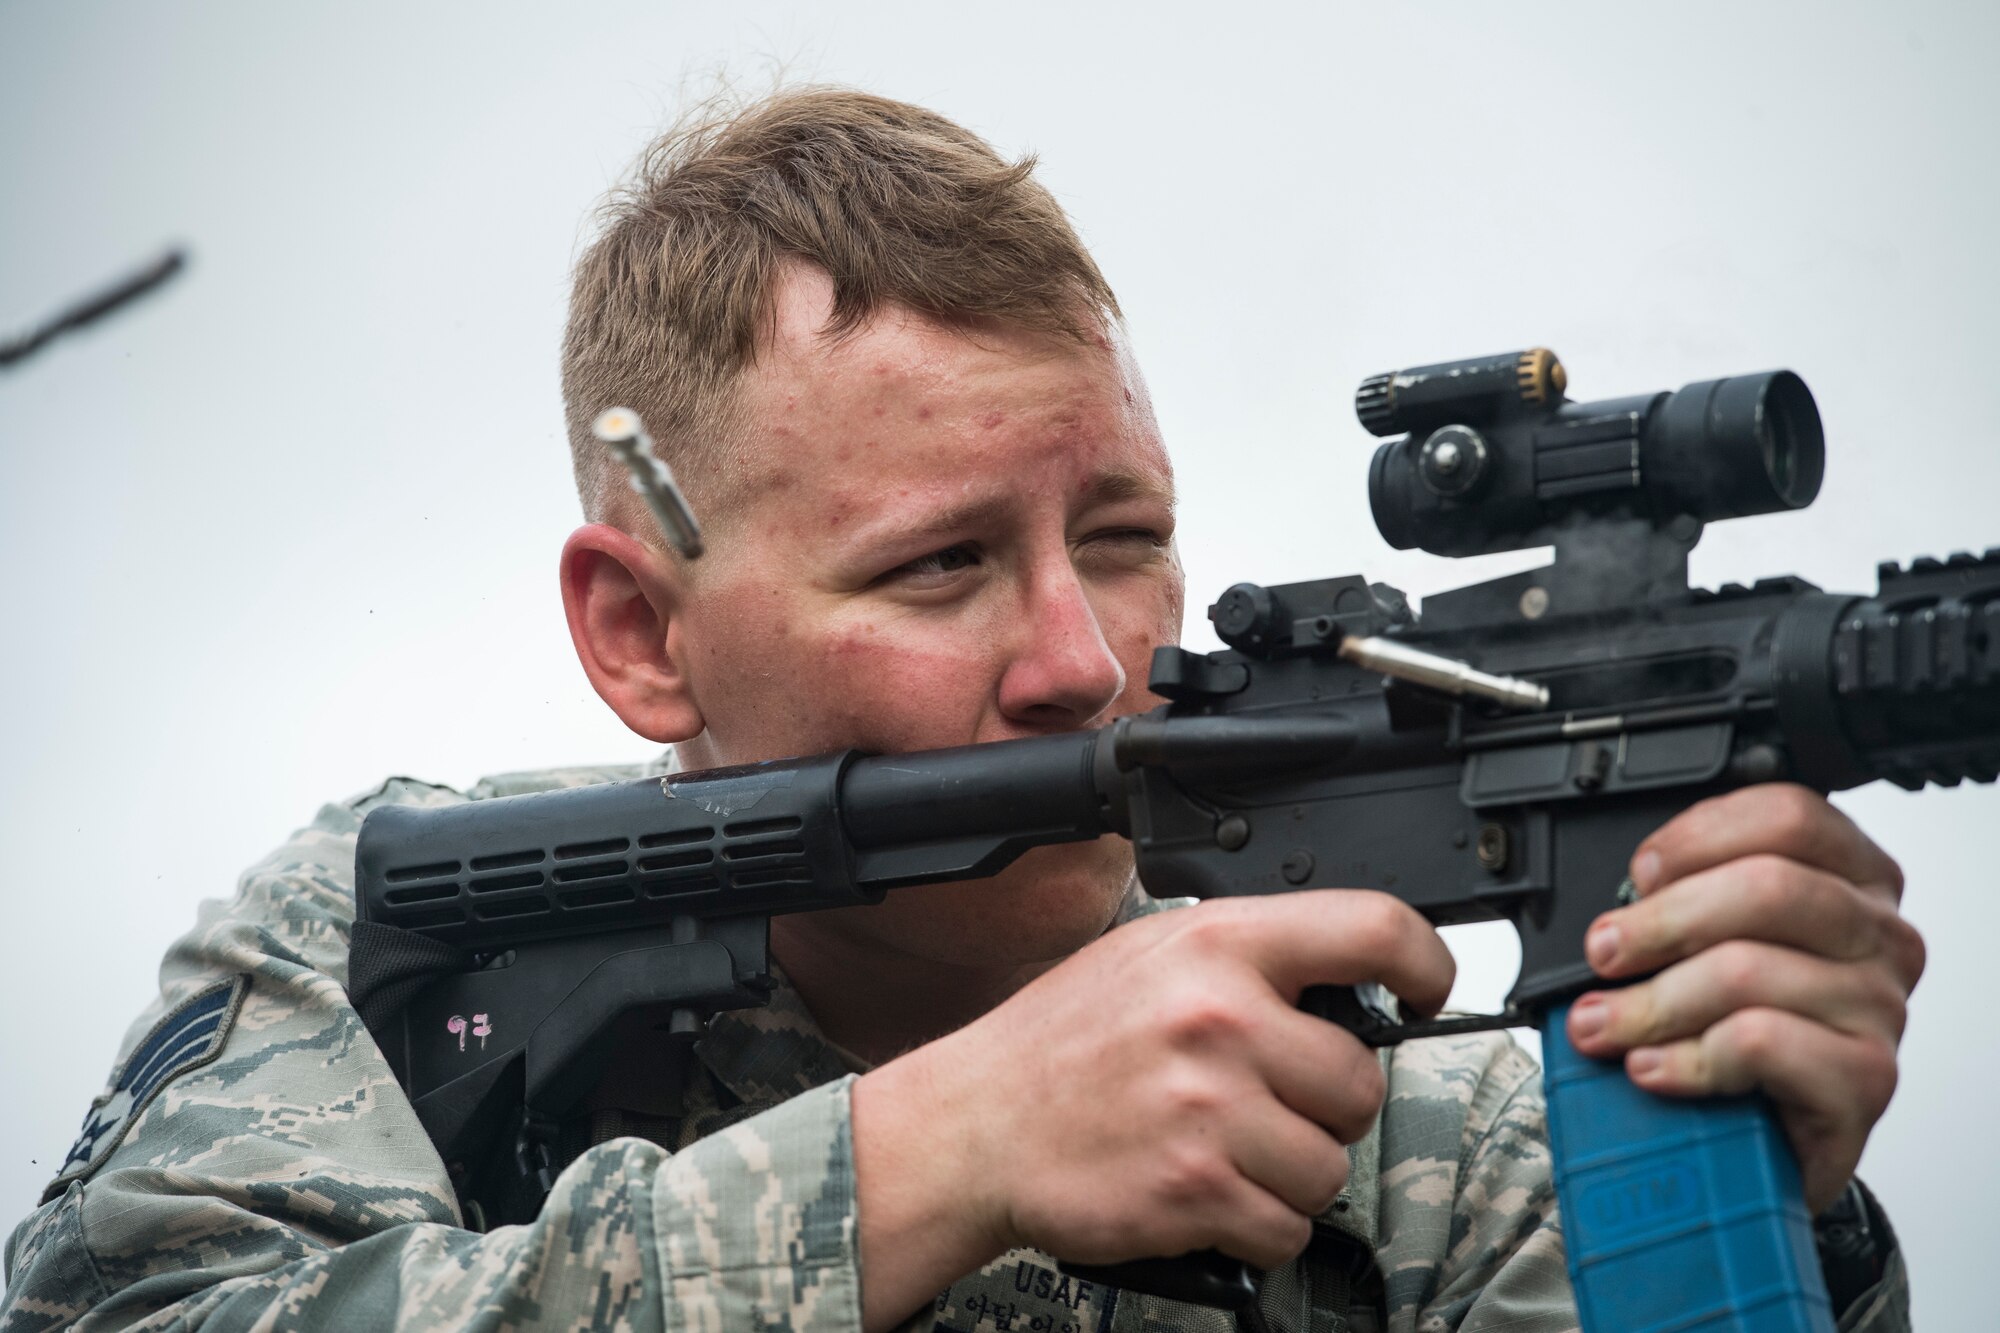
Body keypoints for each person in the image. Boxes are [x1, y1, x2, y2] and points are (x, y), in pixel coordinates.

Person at [2, 88, 1918, 1333]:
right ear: (643, 636)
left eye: (1129, 533)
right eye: (939, 564)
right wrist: (934, 1156)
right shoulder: (386, 945)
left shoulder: (1422, 1124)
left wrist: (1800, 1214)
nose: (1085, 657)